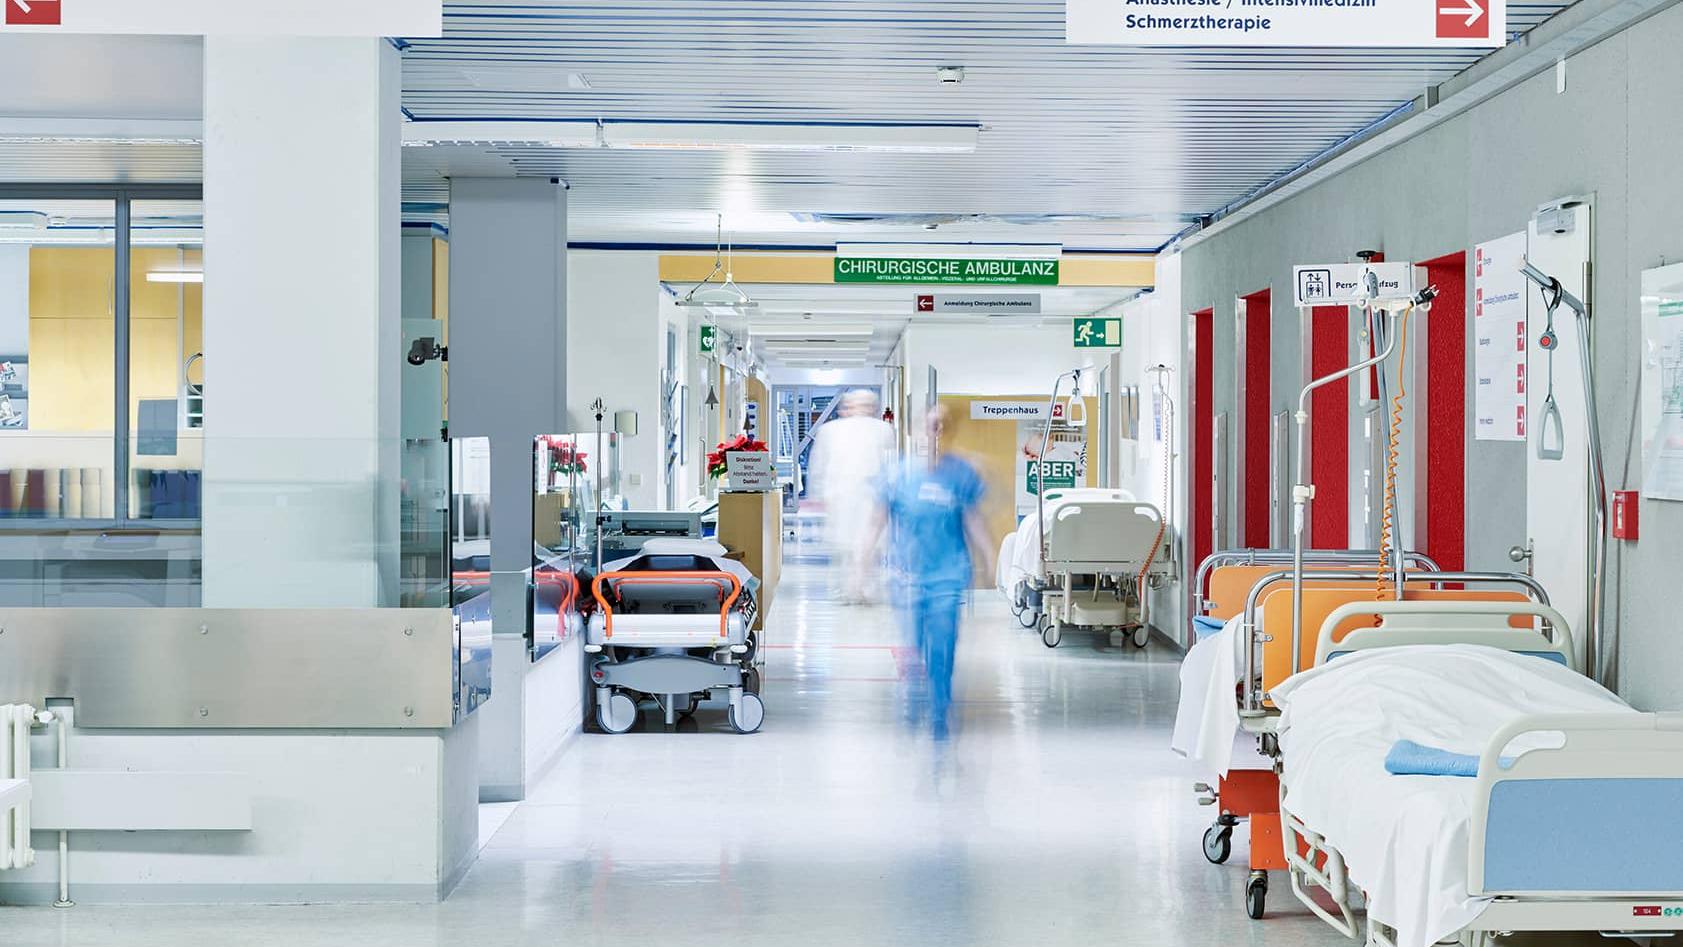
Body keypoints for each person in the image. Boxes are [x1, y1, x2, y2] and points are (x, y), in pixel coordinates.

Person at [869, 404, 995, 740]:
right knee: (913, 646)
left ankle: (940, 711)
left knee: (942, 646)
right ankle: (914, 697)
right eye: (928, 425)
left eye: (941, 426)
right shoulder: (897, 475)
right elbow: (876, 521)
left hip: (948, 576)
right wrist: (860, 562)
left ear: (949, 431)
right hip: (906, 576)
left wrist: (989, 559)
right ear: (915, 430)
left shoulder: (961, 474)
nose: (934, 432)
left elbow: (974, 520)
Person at [806, 389, 896, 602]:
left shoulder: (883, 430)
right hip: (842, 498)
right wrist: (818, 494)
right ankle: (849, 589)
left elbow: (889, 465)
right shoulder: (829, 431)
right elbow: (818, 465)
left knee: (868, 545)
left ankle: (864, 588)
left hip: (869, 498)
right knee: (846, 548)